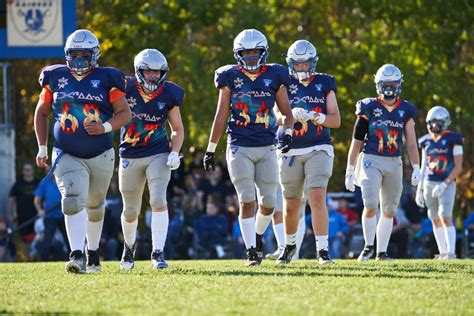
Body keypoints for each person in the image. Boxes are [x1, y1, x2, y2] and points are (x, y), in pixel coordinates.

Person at [34, 29, 131, 273]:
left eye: (84, 54)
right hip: (67, 151)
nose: (78, 59)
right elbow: (41, 112)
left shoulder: (108, 78)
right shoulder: (54, 76)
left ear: (94, 54)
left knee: (95, 206)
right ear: (67, 54)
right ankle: (76, 254)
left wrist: (105, 127)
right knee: (71, 200)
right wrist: (42, 146)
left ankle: (93, 252)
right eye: (73, 54)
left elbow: (125, 113)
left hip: (101, 152)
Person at [203, 28, 294, 266]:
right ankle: (251, 252)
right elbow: (221, 113)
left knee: (269, 203)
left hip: (266, 146)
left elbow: (287, 113)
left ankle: (257, 237)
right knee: (246, 200)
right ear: (238, 54)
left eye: (255, 52)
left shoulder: (276, 75)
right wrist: (211, 149)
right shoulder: (229, 76)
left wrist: (289, 132)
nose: (251, 56)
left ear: (263, 52)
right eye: (246, 52)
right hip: (239, 145)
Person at [345, 64, 422, 261]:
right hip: (372, 158)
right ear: (378, 85)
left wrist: (416, 167)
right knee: (370, 203)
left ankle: (381, 252)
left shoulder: (406, 109)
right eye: (385, 84)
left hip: (394, 161)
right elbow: (356, 141)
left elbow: (411, 144)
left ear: (399, 85)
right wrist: (350, 169)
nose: (389, 88)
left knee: (389, 209)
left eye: (392, 84)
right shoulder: (368, 106)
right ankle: (368, 247)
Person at [276, 40, 341, 265]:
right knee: (291, 203)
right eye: (298, 64)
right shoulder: (283, 82)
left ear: (313, 63)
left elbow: (336, 120)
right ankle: (290, 246)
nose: (302, 68)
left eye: (306, 64)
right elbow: (274, 117)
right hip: (291, 149)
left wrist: (315, 116)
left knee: (316, 196)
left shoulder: (325, 82)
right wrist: (290, 114)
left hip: (319, 147)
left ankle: (322, 250)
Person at [119, 48, 184, 270]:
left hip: (158, 152)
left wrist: (175, 151)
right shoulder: (124, 88)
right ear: (139, 71)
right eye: (149, 72)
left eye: (157, 72)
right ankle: (129, 248)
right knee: (130, 211)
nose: (154, 76)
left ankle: (157, 252)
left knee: (157, 200)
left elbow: (177, 128)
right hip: (129, 153)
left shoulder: (169, 93)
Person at [415, 106, 463, 259]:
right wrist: (419, 189)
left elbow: (458, 166)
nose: (434, 126)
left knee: (445, 216)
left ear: (445, 122)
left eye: (438, 122)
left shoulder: (453, 139)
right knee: (434, 217)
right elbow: (423, 167)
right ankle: (442, 252)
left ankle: (451, 252)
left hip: (446, 183)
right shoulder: (425, 141)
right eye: (432, 122)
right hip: (429, 183)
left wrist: (445, 183)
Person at [7, 163, 40, 261]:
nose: (27, 171)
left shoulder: (38, 182)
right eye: (25, 169)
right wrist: (10, 215)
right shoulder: (18, 184)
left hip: (37, 217)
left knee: (38, 239)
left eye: (29, 169)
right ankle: (28, 260)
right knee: (24, 240)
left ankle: (37, 259)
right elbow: (11, 201)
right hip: (22, 217)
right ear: (23, 171)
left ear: (33, 170)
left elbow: (44, 198)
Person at [33, 172, 69, 261]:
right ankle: (43, 261)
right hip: (49, 217)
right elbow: (37, 199)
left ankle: (74, 259)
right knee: (47, 240)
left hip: (64, 215)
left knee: (68, 239)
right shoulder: (45, 182)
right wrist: (39, 210)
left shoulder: (65, 181)